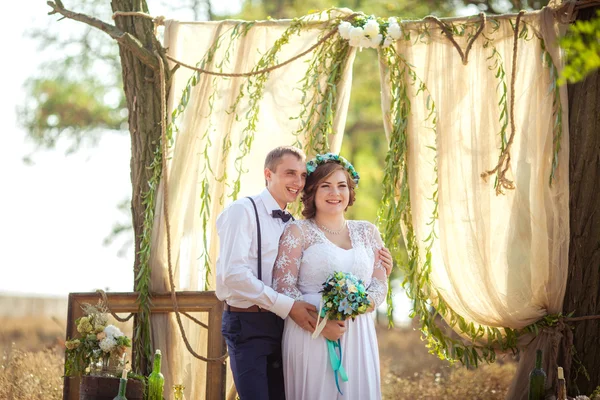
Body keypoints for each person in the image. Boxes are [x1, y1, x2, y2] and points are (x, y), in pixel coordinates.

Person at [216, 147, 392, 400]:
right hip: (251, 321)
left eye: (301, 175)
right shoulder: (243, 211)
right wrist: (305, 314)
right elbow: (233, 275)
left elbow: (368, 277)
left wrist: (376, 276)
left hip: (290, 321)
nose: (297, 182)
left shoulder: (291, 221)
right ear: (268, 174)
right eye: (290, 173)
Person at [272, 153, 388, 400]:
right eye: (325, 186)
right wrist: (322, 324)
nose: (335, 193)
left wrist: (360, 305)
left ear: (350, 192)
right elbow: (284, 286)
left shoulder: (368, 231)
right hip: (310, 332)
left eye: (341, 185)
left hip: (358, 332)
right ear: (312, 191)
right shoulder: (298, 230)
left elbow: (379, 283)